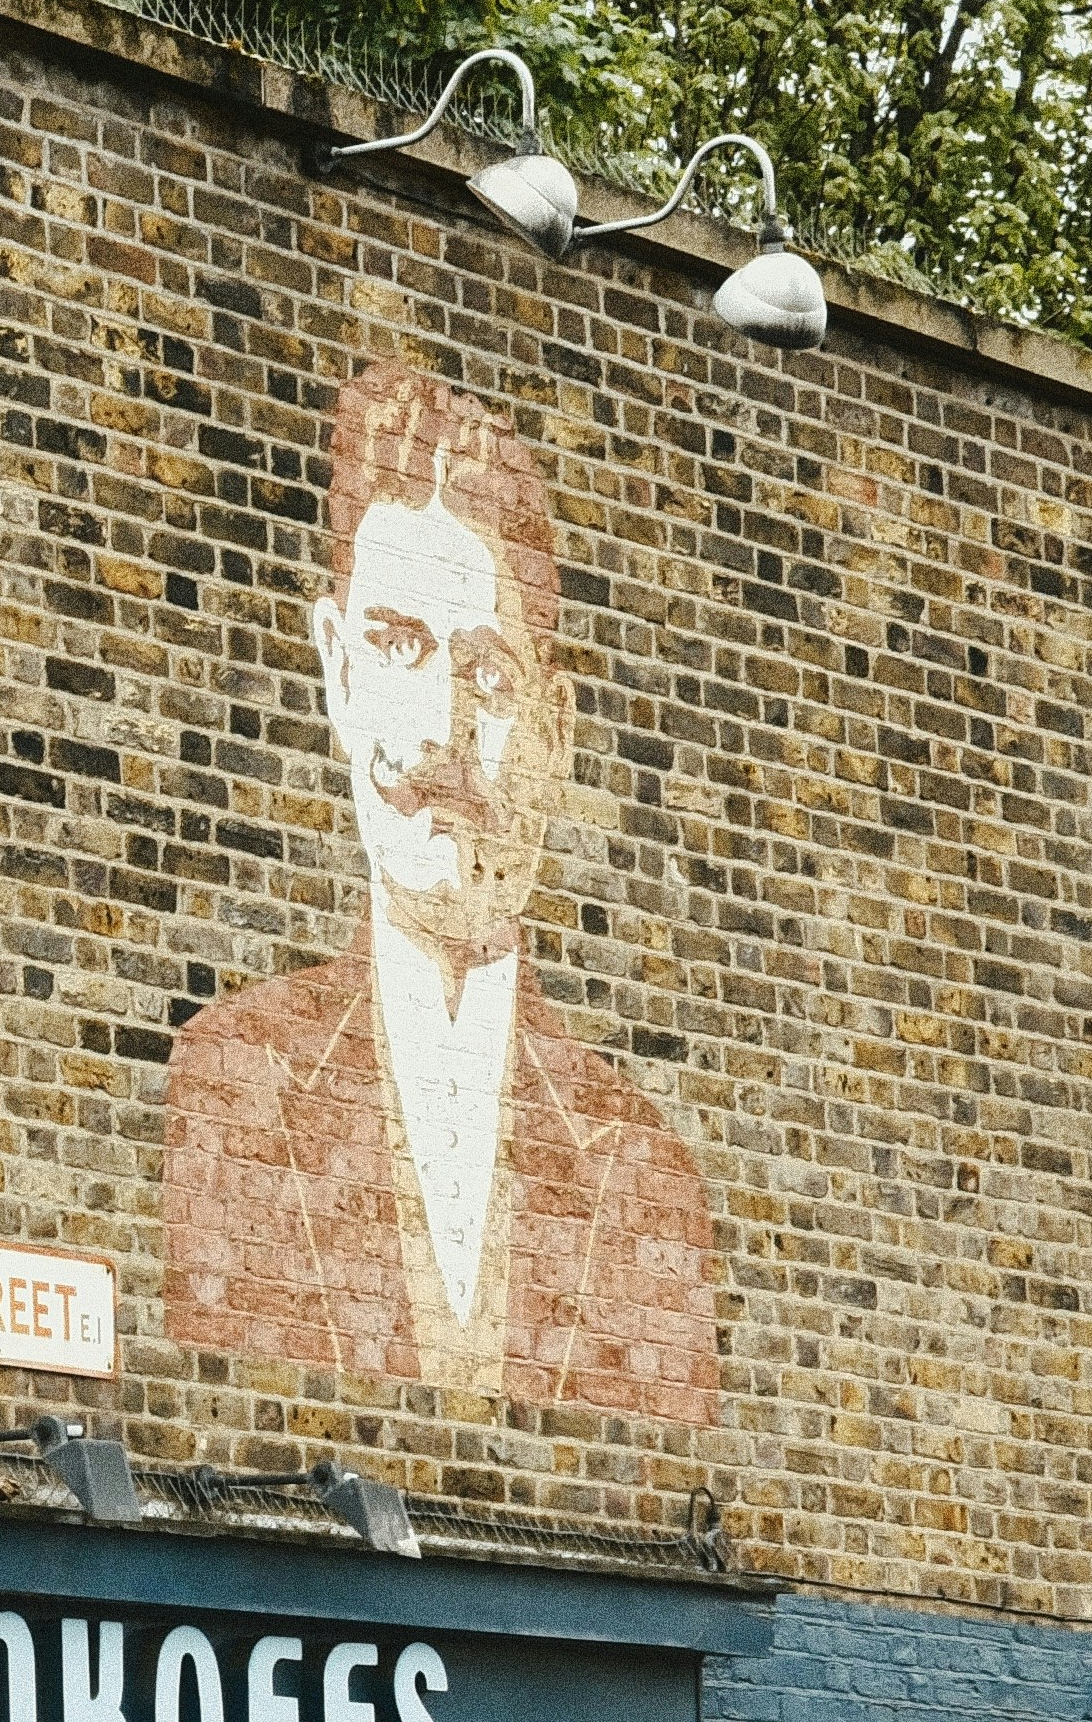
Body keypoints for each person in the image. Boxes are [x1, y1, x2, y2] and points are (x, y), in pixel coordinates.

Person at [157, 363, 714, 1424]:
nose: (438, 731)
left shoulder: (647, 1169)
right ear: (334, 666)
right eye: (397, 645)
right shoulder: (227, 1076)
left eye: (488, 675)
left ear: (552, 730)